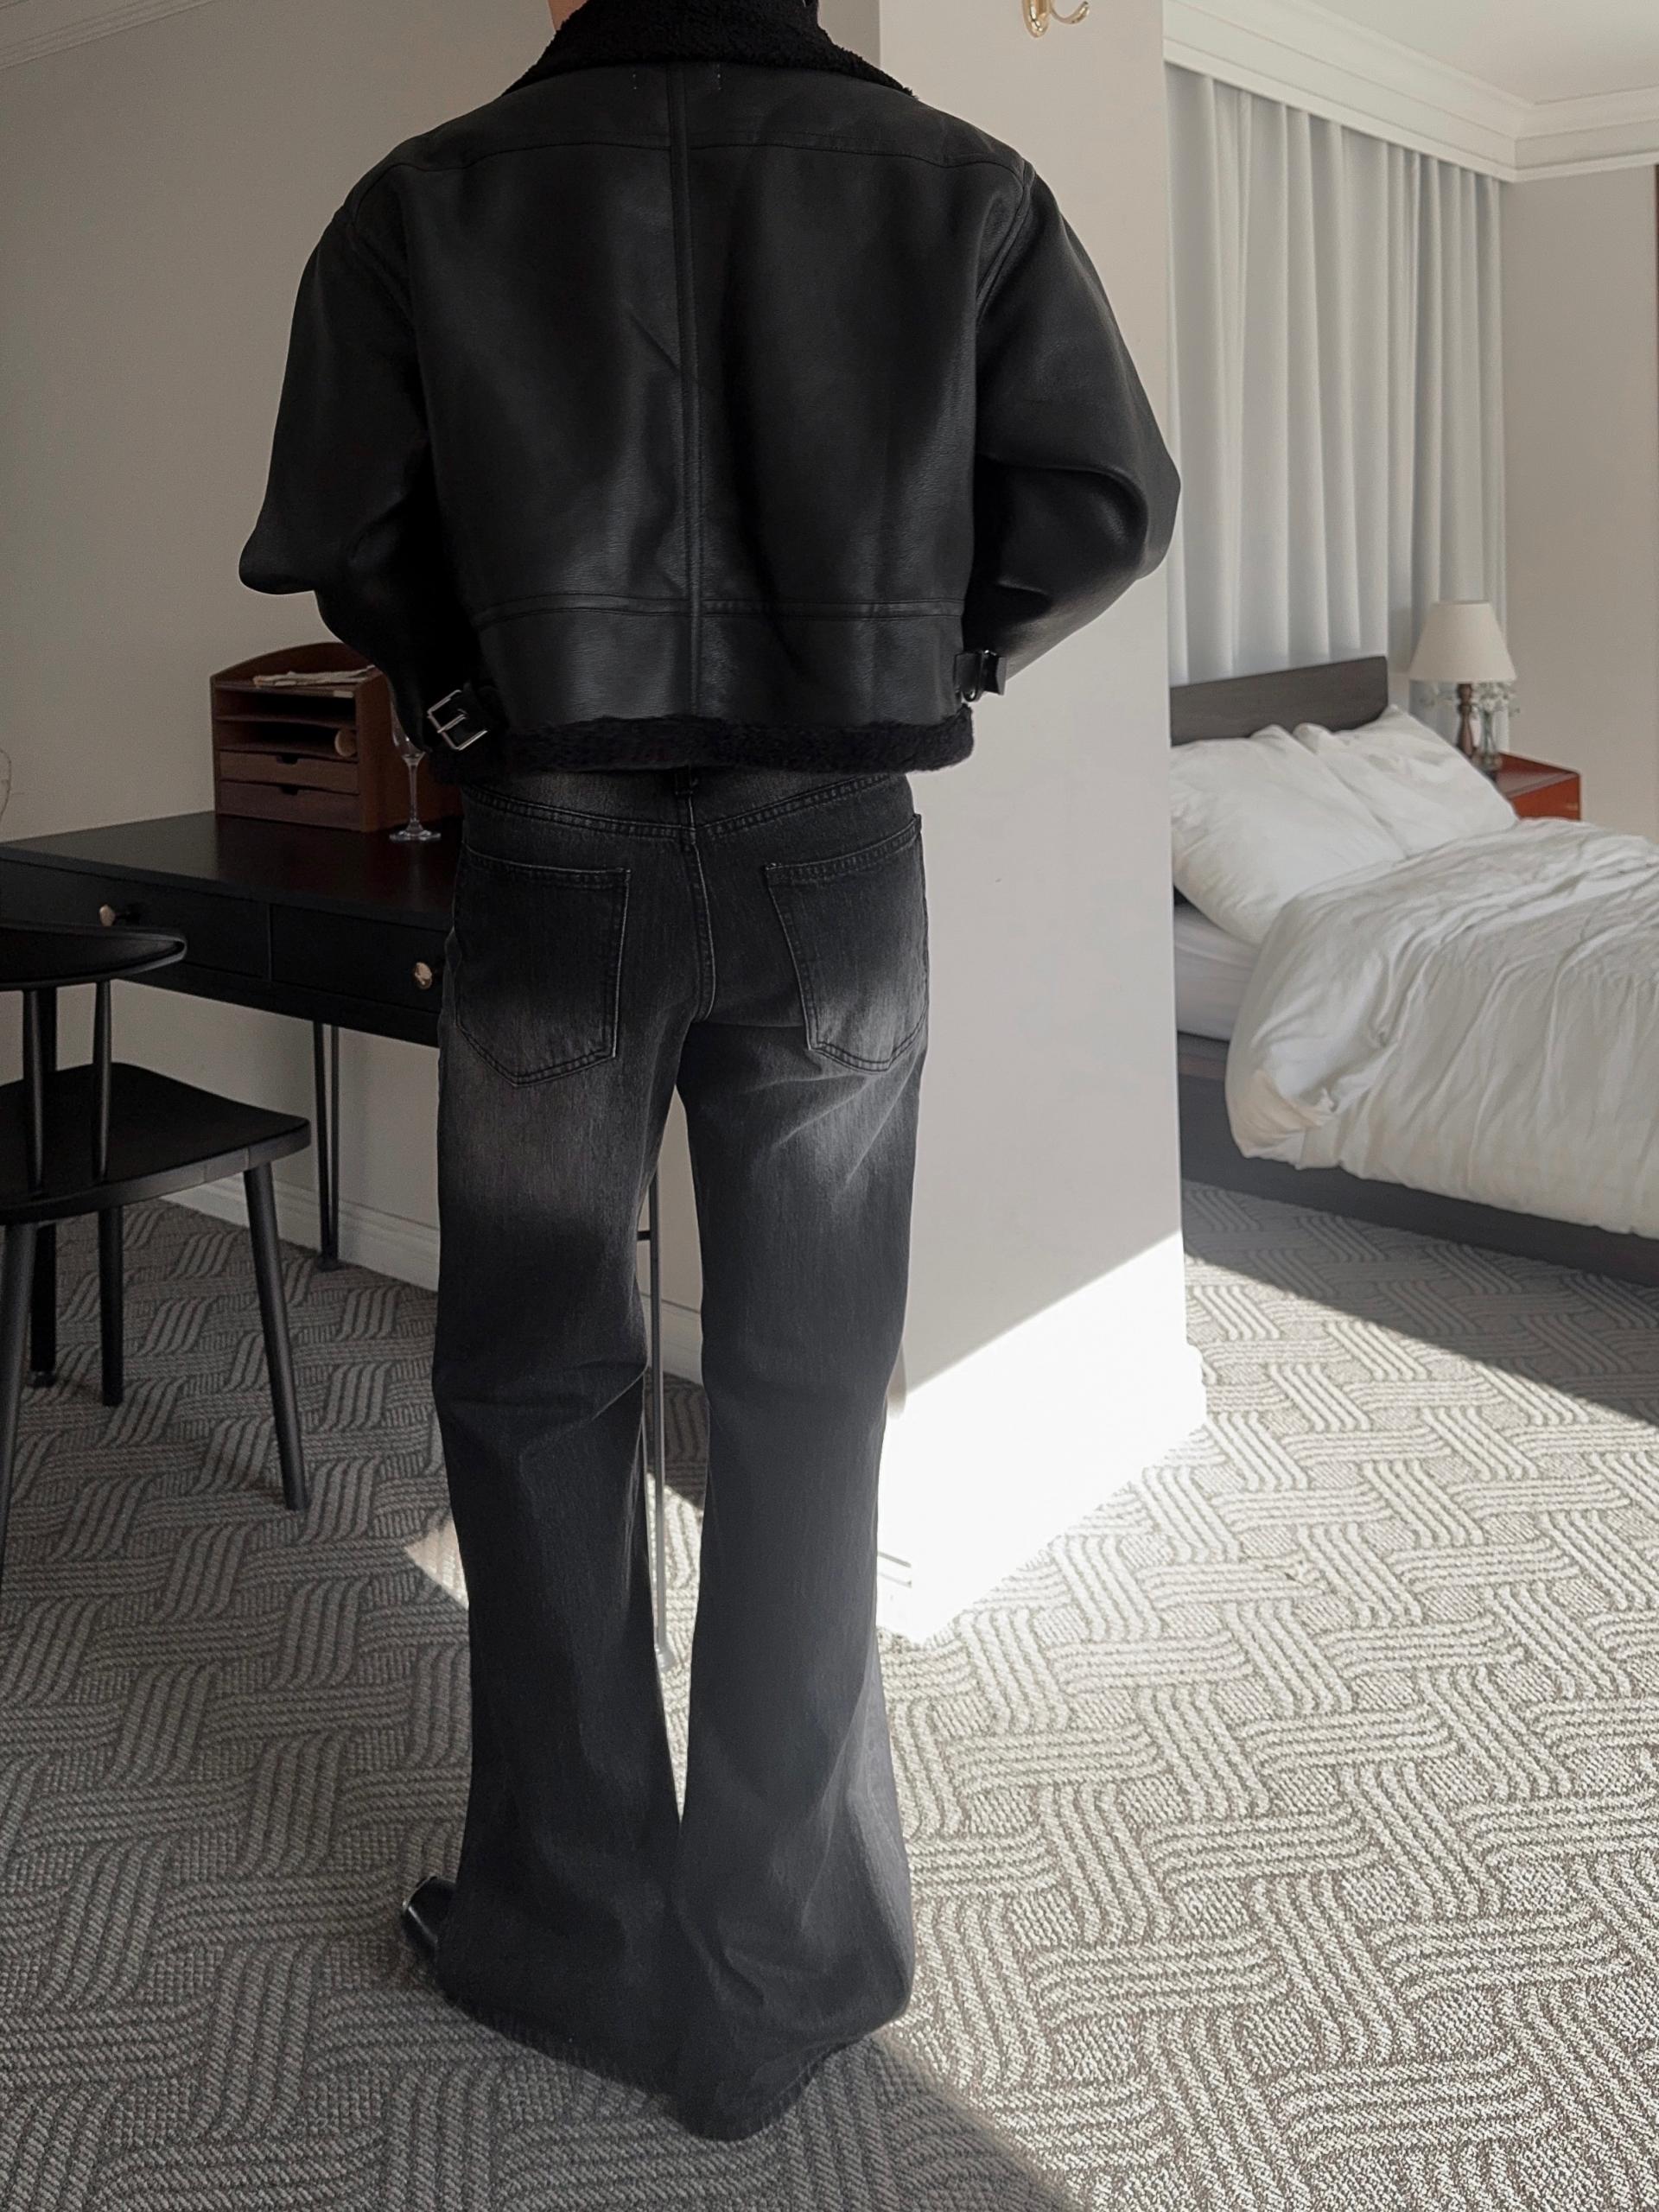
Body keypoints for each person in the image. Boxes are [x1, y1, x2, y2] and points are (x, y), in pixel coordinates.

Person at [240, 0, 1178, 2143]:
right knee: (808, 1384)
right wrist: (933, 655)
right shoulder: (963, 188)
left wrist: (464, 709)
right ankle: (785, 1965)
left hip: (550, 840)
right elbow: (1108, 502)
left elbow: (341, 521)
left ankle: (566, 1930)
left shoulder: (427, 196)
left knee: (535, 1374)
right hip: (830, 848)